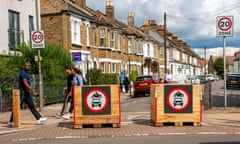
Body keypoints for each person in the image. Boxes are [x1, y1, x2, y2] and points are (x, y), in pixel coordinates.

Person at [8, 62, 47, 127]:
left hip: (26, 93)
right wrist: (33, 91)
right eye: (27, 66)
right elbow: (26, 84)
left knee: (31, 106)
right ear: (24, 66)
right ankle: (11, 121)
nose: (28, 67)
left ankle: (39, 118)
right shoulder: (23, 73)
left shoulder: (26, 73)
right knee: (16, 107)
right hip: (22, 93)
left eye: (29, 66)